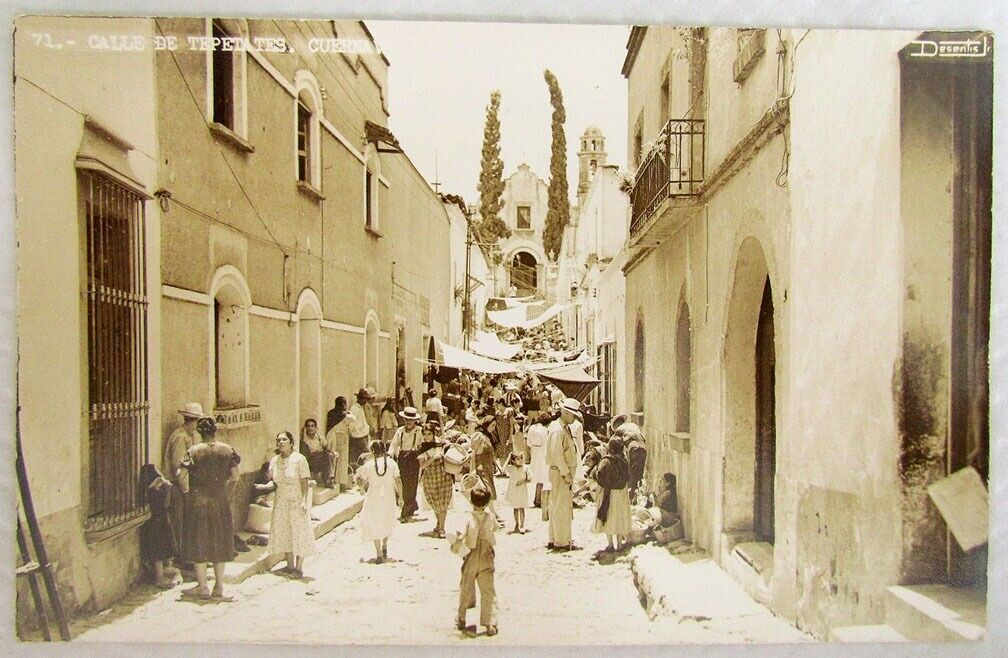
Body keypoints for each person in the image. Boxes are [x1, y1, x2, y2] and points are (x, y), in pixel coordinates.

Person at [178, 416, 241, 601]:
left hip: (198, 502)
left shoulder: (193, 451)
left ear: (199, 432)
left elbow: (182, 476)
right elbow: (236, 476)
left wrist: (186, 493)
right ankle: (219, 587)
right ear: (215, 431)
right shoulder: (227, 450)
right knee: (220, 541)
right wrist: (227, 493)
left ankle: (203, 587)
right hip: (220, 501)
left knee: (199, 541)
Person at [263, 432, 316, 577]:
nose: (281, 442)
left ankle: (298, 568)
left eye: (284, 439)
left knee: (299, 532)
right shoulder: (274, 460)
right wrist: (263, 489)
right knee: (285, 531)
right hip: (281, 501)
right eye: (278, 440)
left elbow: (304, 481)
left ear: (291, 443)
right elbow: (273, 481)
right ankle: (289, 565)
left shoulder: (299, 459)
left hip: (296, 500)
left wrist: (305, 501)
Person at [452, 484, 498, 636]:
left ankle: (462, 617)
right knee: (488, 589)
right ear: (486, 503)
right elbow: (496, 528)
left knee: (466, 586)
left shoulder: (467, 517)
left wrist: (457, 542)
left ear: (471, 502)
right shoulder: (490, 516)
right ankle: (490, 622)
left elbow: (460, 533)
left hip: (471, 554)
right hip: (487, 555)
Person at [163, 402, 202, 561]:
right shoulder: (180, 438)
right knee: (178, 524)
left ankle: (186, 557)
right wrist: (186, 490)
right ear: (191, 420)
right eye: (196, 421)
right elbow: (179, 468)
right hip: (178, 487)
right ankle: (180, 558)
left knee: (187, 523)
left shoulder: (191, 436)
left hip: (187, 487)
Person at [356, 440, 402, 563]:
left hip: (373, 496)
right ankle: (385, 545)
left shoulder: (369, 465)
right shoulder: (392, 463)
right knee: (387, 519)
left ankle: (379, 553)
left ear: (372, 451)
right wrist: (401, 497)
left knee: (374, 520)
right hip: (389, 495)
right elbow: (398, 481)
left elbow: (361, 480)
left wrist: (361, 487)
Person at [546, 398, 581, 551]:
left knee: (560, 505)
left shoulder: (563, 427)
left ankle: (558, 538)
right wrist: (566, 472)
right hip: (560, 473)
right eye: (573, 415)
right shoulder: (557, 429)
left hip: (562, 472)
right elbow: (556, 454)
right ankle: (561, 541)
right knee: (561, 506)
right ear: (565, 412)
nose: (574, 418)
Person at [138, 464, 176, 589]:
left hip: (157, 524)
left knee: (159, 552)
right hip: (157, 526)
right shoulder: (155, 492)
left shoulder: (150, 491)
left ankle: (160, 575)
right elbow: (165, 504)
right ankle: (159, 578)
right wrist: (168, 490)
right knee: (158, 553)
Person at [592, 438, 632, 553]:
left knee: (608, 517)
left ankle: (610, 545)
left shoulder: (606, 461)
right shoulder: (624, 460)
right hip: (622, 493)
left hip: (609, 494)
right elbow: (628, 477)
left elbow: (599, 475)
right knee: (620, 518)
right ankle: (619, 544)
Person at [418, 422, 453, 537]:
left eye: (429, 434)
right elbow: (422, 465)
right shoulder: (422, 447)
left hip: (444, 475)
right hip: (430, 477)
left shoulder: (441, 444)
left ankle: (442, 528)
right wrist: (432, 458)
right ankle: (439, 523)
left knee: (443, 501)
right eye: (425, 434)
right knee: (435, 502)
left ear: (434, 434)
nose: (427, 436)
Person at [389, 406, 424, 521]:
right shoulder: (400, 431)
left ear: (415, 420)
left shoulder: (419, 431)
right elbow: (394, 444)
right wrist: (390, 454)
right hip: (403, 458)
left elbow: (424, 445)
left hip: (414, 458)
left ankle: (406, 511)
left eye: (411, 419)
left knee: (412, 484)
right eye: (406, 419)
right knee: (403, 483)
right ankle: (412, 504)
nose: (408, 422)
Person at [470, 421, 502, 526]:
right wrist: (473, 468)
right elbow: (473, 453)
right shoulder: (479, 436)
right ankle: (493, 516)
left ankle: (493, 515)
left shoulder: (489, 437)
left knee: (489, 491)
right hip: (481, 467)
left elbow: (492, 454)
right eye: (492, 425)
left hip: (488, 468)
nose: (493, 428)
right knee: (487, 491)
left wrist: (498, 466)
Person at [612, 415, 647, 500]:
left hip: (633, 446)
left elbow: (612, 444)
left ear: (617, 424)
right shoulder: (633, 425)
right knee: (639, 473)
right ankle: (637, 496)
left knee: (632, 473)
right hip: (642, 446)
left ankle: (631, 498)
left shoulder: (619, 429)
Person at [324, 397, 353, 491]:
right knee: (342, 460)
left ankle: (334, 480)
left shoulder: (331, 413)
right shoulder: (346, 415)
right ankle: (340, 482)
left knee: (334, 459)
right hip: (342, 437)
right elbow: (353, 420)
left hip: (331, 437)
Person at [298, 418, 336, 489]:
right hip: (310, 461)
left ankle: (329, 479)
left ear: (315, 428)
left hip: (320, 459)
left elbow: (326, 447)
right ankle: (329, 480)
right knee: (327, 456)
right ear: (305, 428)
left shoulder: (319, 437)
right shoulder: (304, 439)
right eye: (308, 426)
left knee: (329, 455)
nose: (310, 428)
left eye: (312, 426)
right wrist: (304, 434)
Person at [525, 413, 551, 509]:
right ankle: (539, 499)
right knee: (543, 477)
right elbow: (546, 443)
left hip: (535, 453)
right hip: (542, 454)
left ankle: (537, 498)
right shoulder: (544, 430)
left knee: (538, 477)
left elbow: (528, 443)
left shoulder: (532, 428)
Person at [504, 452, 530, 534]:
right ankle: (516, 524)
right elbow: (503, 469)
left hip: (522, 490)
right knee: (515, 508)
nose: (520, 460)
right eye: (518, 459)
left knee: (522, 508)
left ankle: (522, 525)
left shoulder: (525, 468)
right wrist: (509, 457)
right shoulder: (511, 468)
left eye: (521, 458)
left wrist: (523, 481)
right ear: (513, 460)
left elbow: (529, 478)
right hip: (514, 490)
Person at [349, 388, 374, 468]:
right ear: (359, 398)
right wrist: (359, 435)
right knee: (366, 455)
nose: (365, 401)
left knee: (364, 457)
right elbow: (352, 425)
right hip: (358, 437)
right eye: (364, 399)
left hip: (363, 436)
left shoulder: (360, 408)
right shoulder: (354, 409)